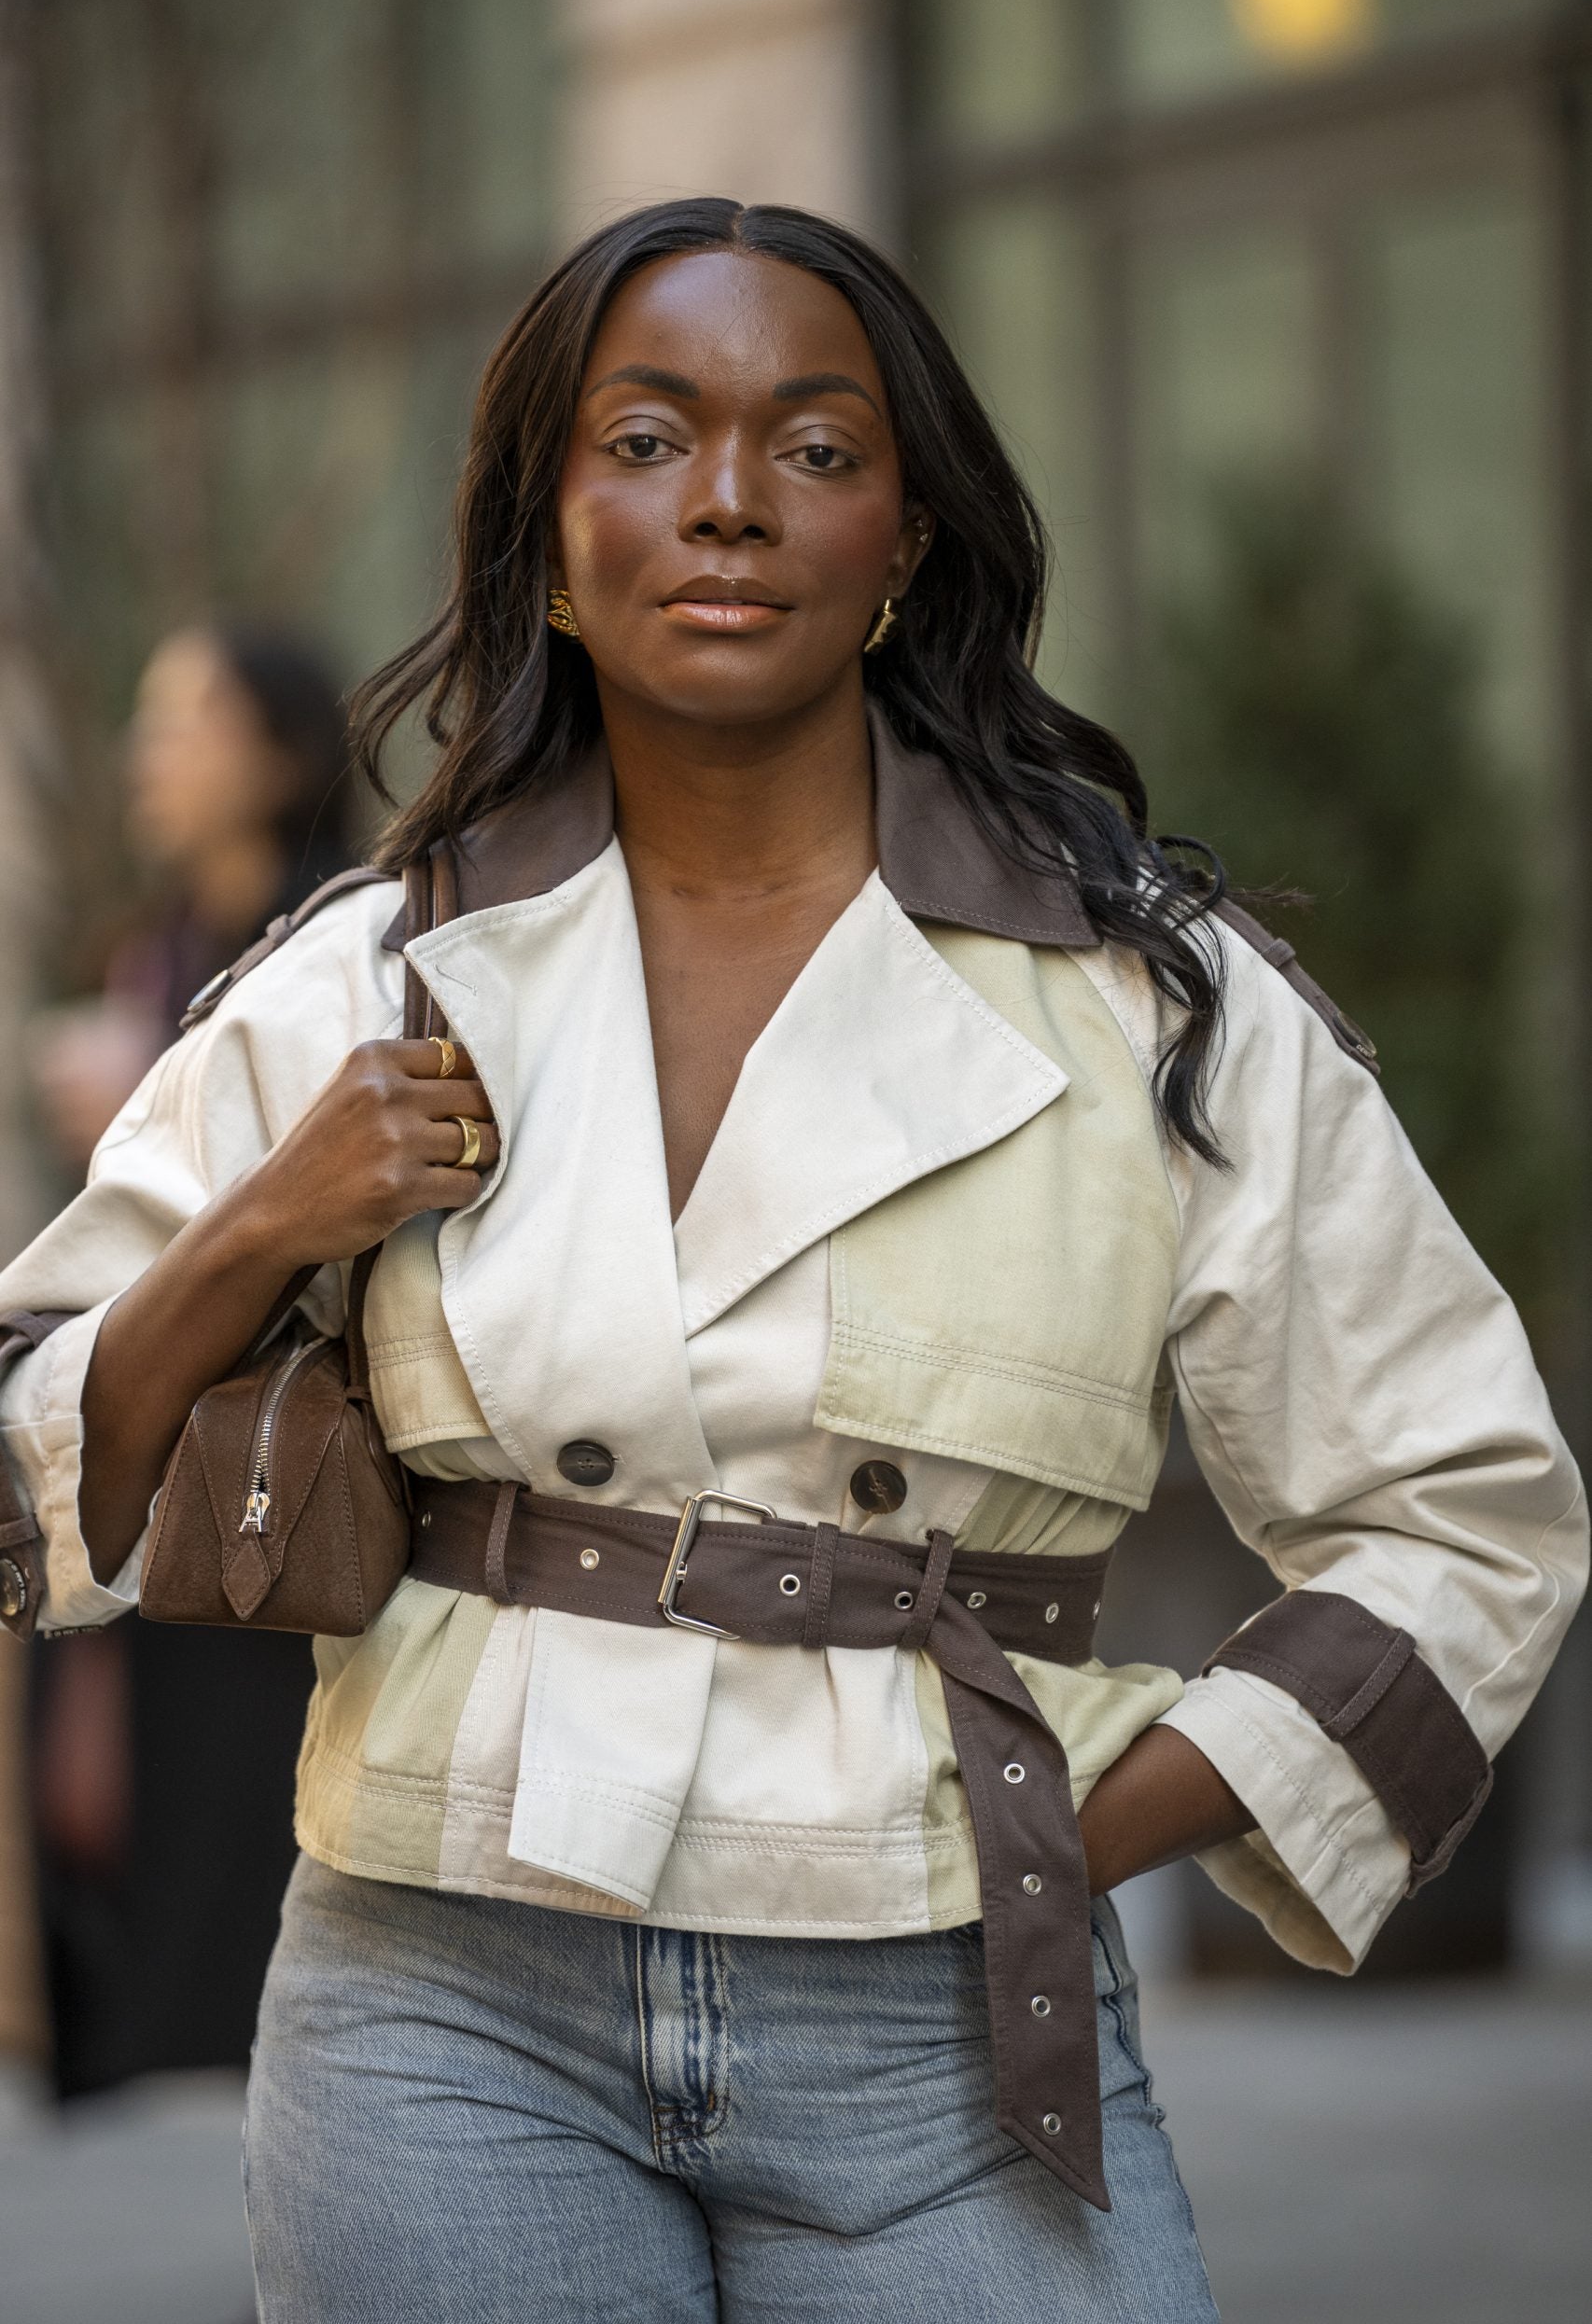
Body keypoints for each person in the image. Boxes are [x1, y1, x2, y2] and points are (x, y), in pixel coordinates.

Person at [0, 201, 1584, 2319]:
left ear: (906, 539)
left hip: (948, 2019)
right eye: (644, 440)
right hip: (441, 2005)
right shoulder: (364, 977)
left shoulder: (1151, 1002)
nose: (729, 501)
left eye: (817, 449)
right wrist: (271, 1220)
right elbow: (29, 1467)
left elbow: (1465, 1517)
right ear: (546, 538)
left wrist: (1083, 1825)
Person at [25, 626, 349, 2094]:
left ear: (277, 756)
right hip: (141, 1439)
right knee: (120, 1789)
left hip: (281, 1466)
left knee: (253, 1821)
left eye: (186, 722)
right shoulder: (153, 946)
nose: (152, 753)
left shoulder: (328, 949)